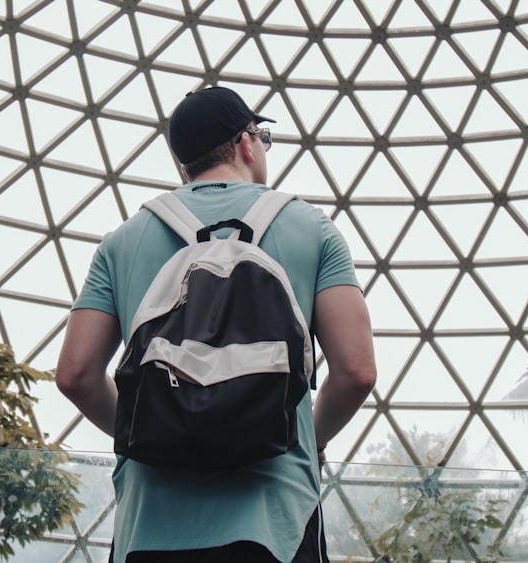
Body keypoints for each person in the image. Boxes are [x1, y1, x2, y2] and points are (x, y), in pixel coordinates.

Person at [55, 85, 376, 562]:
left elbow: (75, 375)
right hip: (276, 526)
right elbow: (356, 371)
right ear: (247, 143)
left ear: (184, 167)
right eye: (262, 138)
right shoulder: (313, 229)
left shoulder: (122, 242)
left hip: (149, 529)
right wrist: (308, 433)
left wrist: (154, 431)